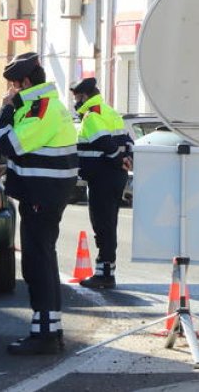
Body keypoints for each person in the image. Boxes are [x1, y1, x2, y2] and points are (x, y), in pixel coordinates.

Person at [0, 52, 79, 355]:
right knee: (43, 260)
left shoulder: (40, 107)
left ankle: (44, 336)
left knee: (37, 264)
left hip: (42, 195)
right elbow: (31, 151)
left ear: (25, 82)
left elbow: (6, 142)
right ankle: (50, 328)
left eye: (13, 84)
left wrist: (5, 109)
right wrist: (9, 167)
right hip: (43, 192)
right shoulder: (43, 105)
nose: (10, 90)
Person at [70, 77, 133, 290]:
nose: (75, 102)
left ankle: (104, 275)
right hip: (114, 177)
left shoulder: (91, 115)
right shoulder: (109, 111)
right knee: (108, 224)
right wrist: (125, 158)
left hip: (102, 178)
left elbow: (103, 142)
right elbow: (128, 141)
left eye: (77, 97)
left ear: (84, 96)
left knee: (102, 225)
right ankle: (106, 271)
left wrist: (117, 158)